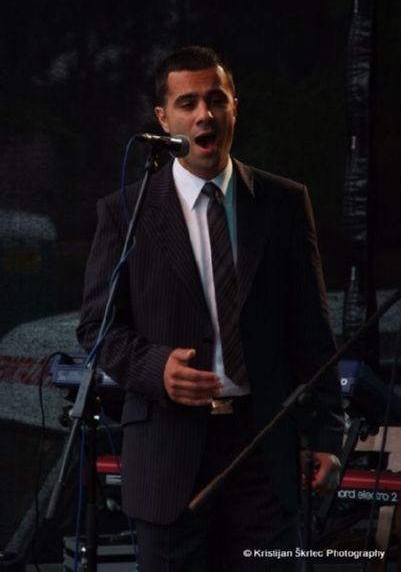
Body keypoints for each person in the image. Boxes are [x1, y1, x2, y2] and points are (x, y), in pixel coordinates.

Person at [77, 45, 343, 571]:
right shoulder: (125, 212)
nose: (205, 114)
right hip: (168, 456)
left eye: (216, 100)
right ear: (164, 119)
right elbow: (96, 328)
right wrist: (157, 369)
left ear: (234, 108)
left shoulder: (284, 203)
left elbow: (313, 333)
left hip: (265, 452)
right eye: (189, 103)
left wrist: (327, 438)